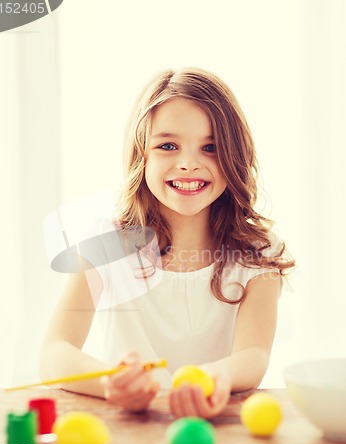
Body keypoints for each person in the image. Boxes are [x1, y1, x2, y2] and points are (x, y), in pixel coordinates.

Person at [40, 67, 295, 419]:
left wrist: (215, 377)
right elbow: (55, 351)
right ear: (141, 155)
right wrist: (109, 382)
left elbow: (253, 355)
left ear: (235, 157)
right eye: (168, 146)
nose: (188, 164)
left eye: (210, 147)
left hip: (217, 427)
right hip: (128, 431)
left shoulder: (260, 253)